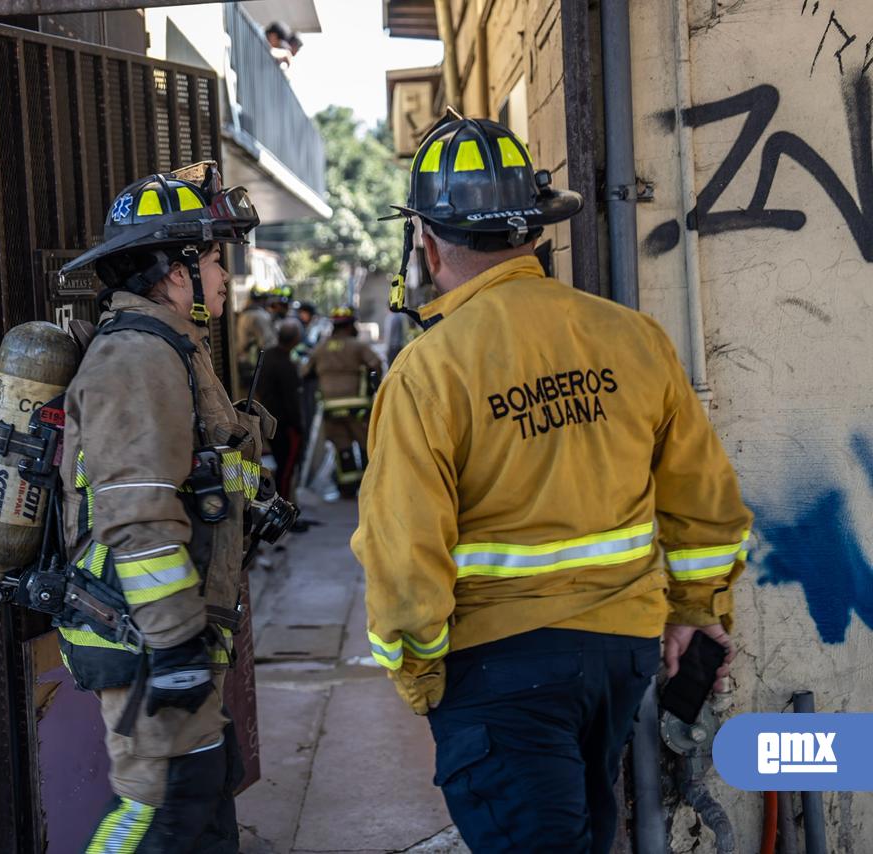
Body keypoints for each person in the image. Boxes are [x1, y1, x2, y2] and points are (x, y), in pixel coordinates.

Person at [351, 117, 753, 853]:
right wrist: (697, 610)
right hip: (621, 654)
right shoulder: (633, 337)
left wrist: (418, 675)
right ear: (534, 234)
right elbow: (707, 504)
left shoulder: (428, 372)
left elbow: (404, 553)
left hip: (498, 673)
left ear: (427, 243)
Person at [57, 163, 271, 853]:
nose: (221, 276)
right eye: (212, 258)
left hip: (167, 639)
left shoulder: (172, 350)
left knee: (204, 800)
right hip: (145, 643)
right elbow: (137, 514)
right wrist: (174, 644)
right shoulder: (136, 358)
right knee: (160, 811)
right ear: (176, 273)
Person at [306, 307, 382, 494]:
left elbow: (305, 372)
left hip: (331, 408)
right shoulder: (357, 346)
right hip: (358, 407)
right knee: (366, 444)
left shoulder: (321, 347)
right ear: (349, 326)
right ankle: (370, 486)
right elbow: (376, 364)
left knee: (342, 446)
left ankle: (347, 487)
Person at [253, 318, 306, 501]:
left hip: (270, 421)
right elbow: (291, 399)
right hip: (285, 424)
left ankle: (283, 503)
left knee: (283, 465)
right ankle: (284, 505)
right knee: (287, 467)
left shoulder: (267, 356)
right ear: (296, 339)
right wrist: (298, 425)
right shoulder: (285, 365)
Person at [236, 286, 277, 389]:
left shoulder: (244, 314)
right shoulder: (260, 316)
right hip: (257, 366)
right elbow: (268, 344)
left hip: (246, 364)